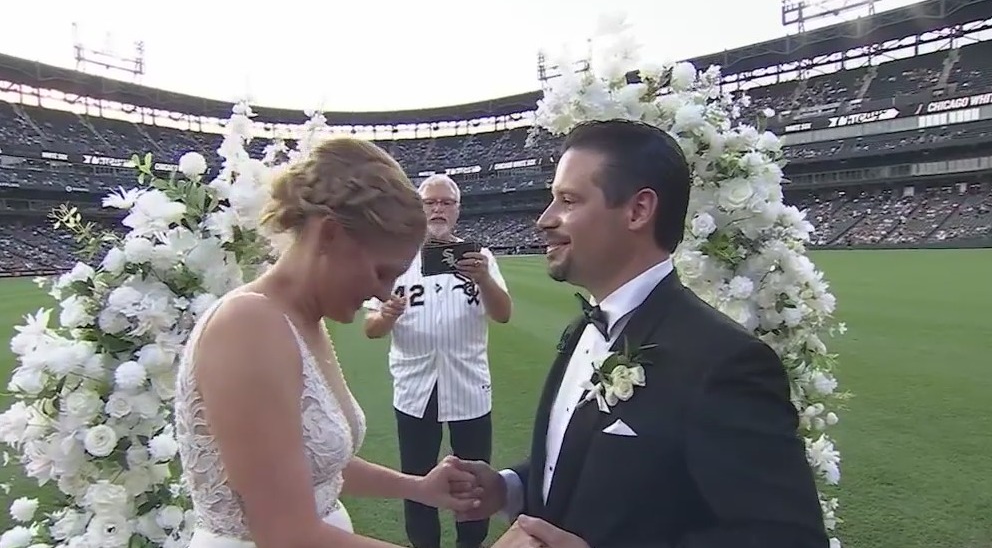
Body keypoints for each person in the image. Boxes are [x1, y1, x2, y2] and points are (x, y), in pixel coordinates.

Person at [445, 119, 829, 548]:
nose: (545, 219)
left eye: (568, 200)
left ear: (638, 210)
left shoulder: (725, 363)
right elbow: (594, 460)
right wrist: (508, 487)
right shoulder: (582, 329)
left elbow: (789, 538)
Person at [173, 138, 484, 548]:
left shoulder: (301, 321)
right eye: (381, 271)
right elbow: (287, 535)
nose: (383, 292)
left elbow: (311, 465)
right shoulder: (248, 325)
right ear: (330, 234)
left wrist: (418, 487)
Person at [363, 173, 512, 548]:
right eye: (430, 203)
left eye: (446, 202)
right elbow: (371, 328)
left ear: (458, 210)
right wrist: (387, 316)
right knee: (417, 479)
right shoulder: (397, 258)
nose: (438, 209)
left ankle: (470, 544)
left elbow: (503, 313)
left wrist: (484, 279)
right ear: (418, 209)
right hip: (416, 388)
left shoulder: (479, 258)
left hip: (468, 385)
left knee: (473, 479)